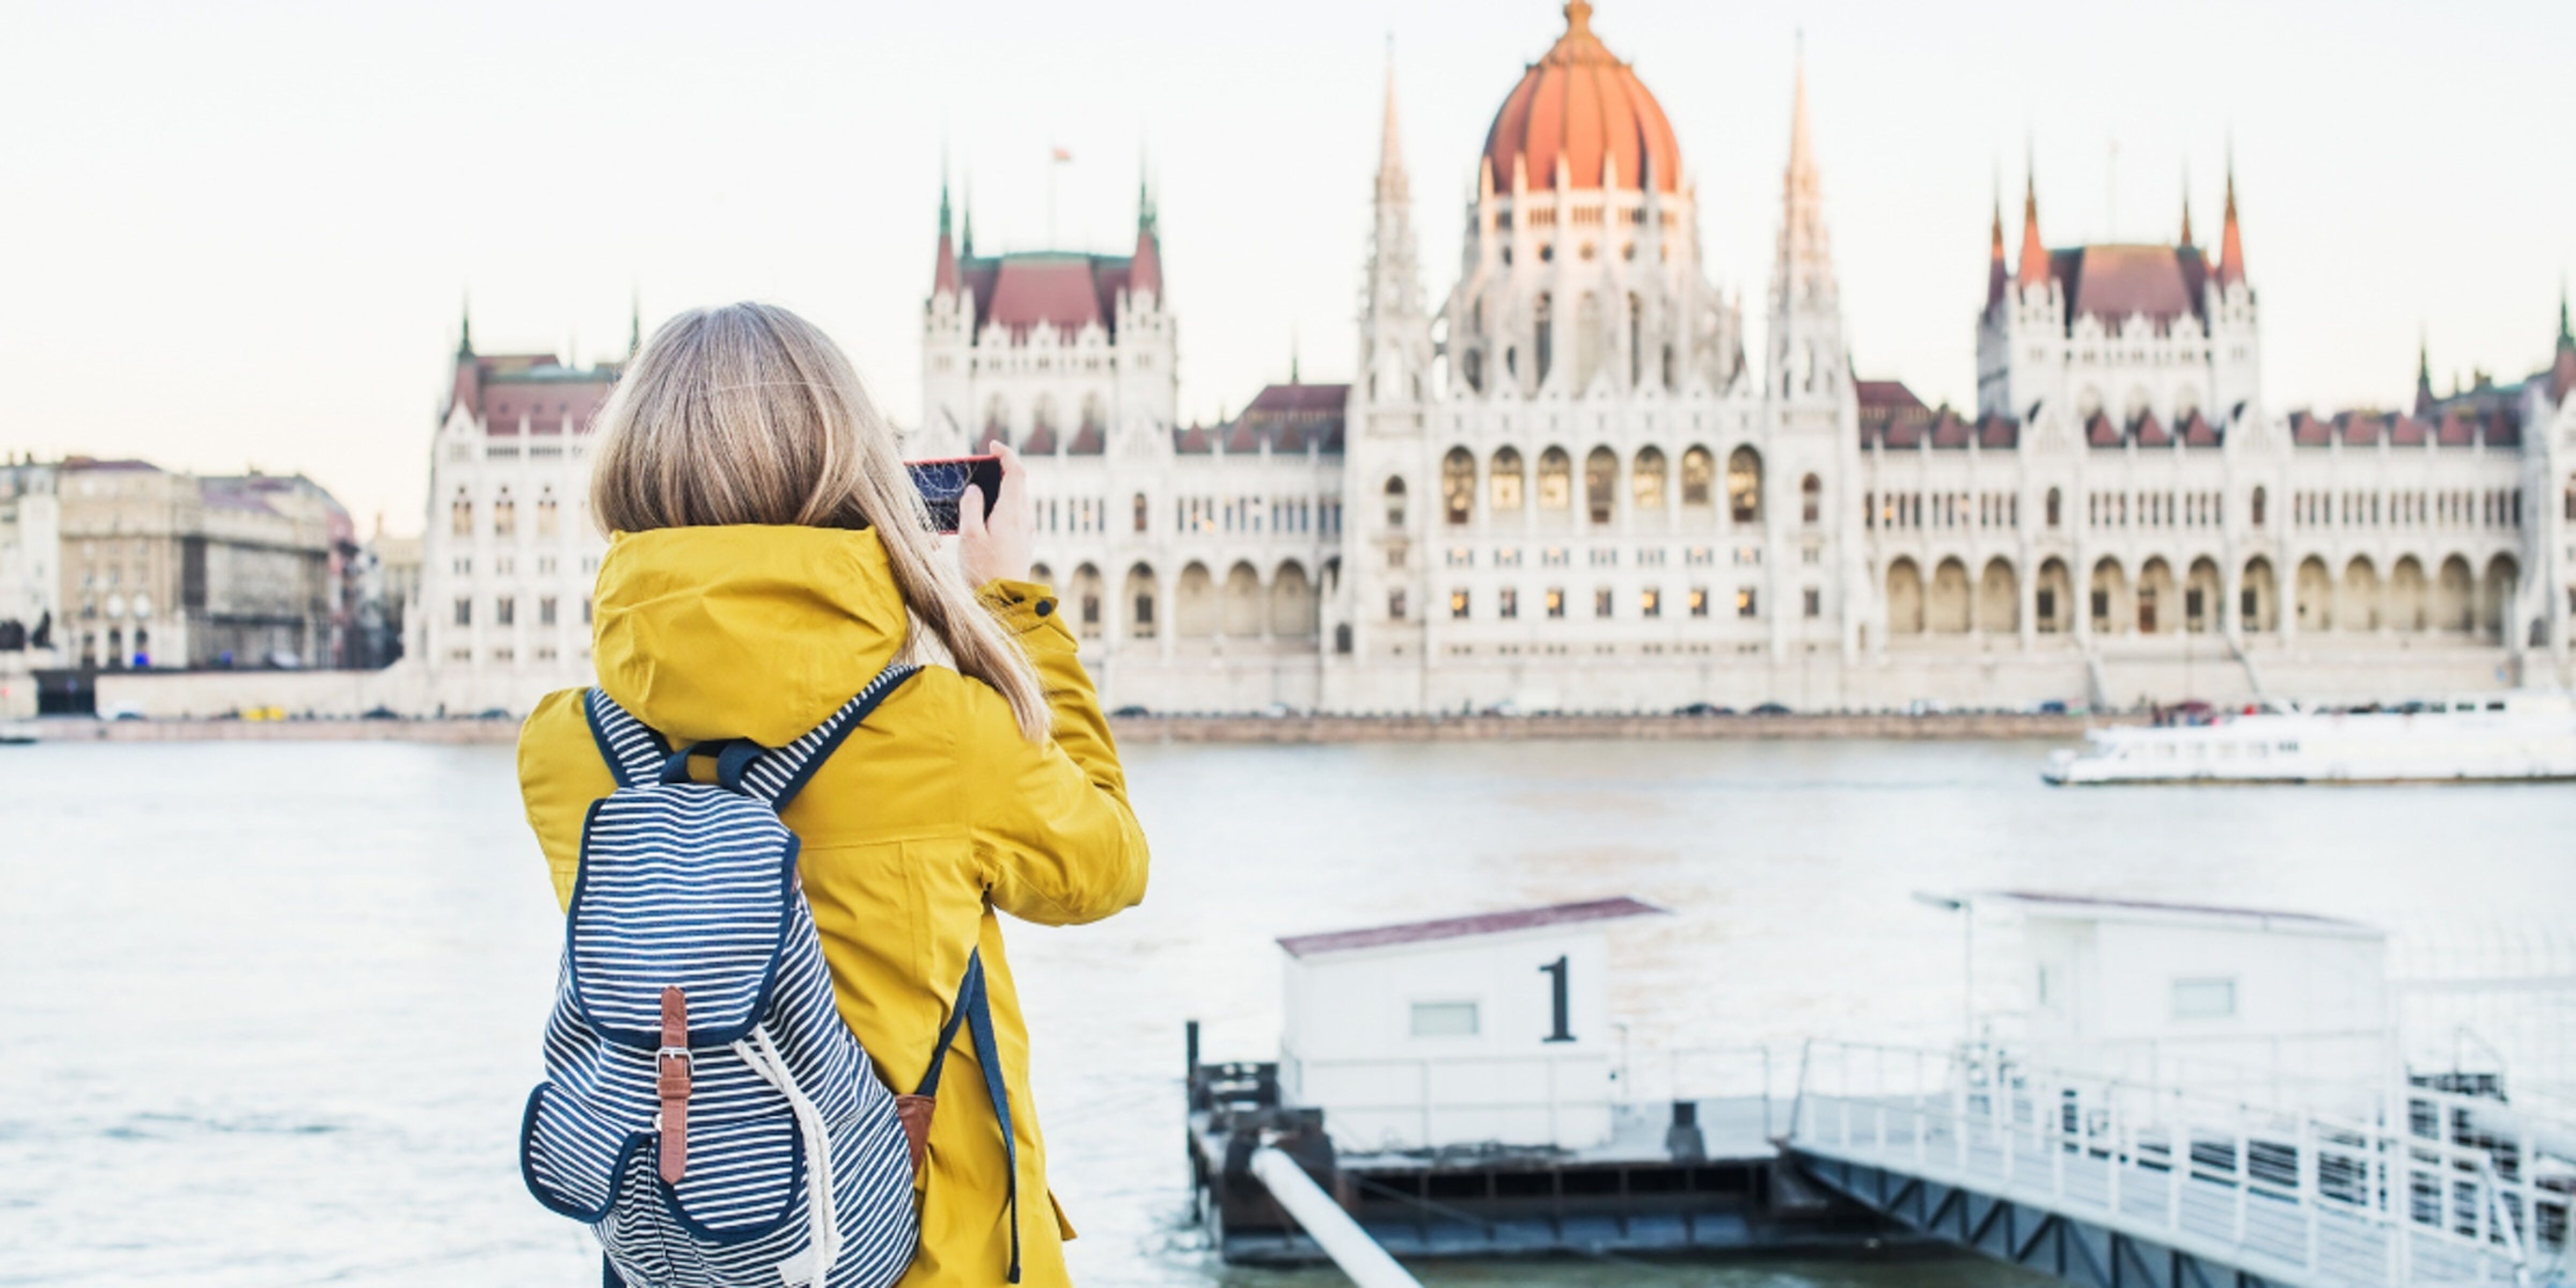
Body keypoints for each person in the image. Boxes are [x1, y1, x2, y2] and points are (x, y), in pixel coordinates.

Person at [515, 302, 1150, 1286]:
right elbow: (1109, 862)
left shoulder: (564, 750)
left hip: (701, 1253)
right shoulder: (947, 733)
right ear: (850, 471)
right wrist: (1010, 608)